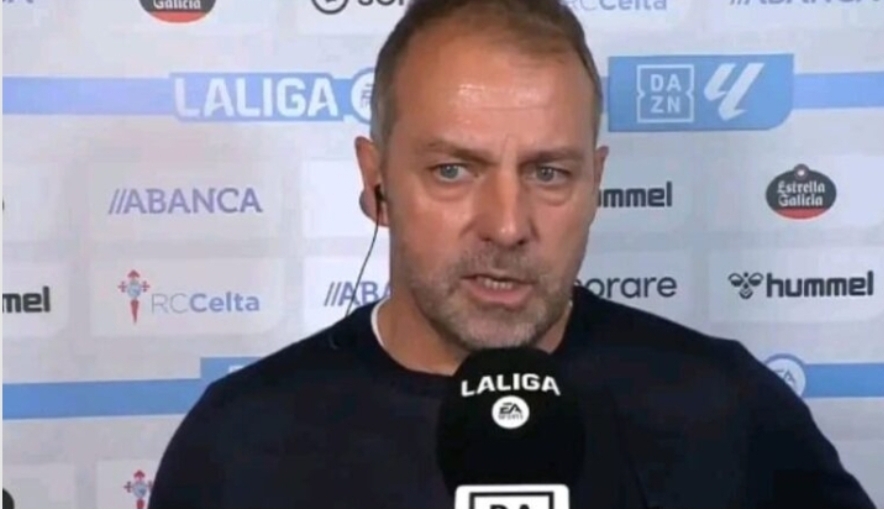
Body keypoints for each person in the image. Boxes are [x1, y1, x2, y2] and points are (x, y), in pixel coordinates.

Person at [148, 0, 875, 507]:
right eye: (452, 170)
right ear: (376, 182)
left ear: (596, 184)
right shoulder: (241, 440)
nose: (506, 225)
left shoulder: (727, 409)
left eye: (548, 172)